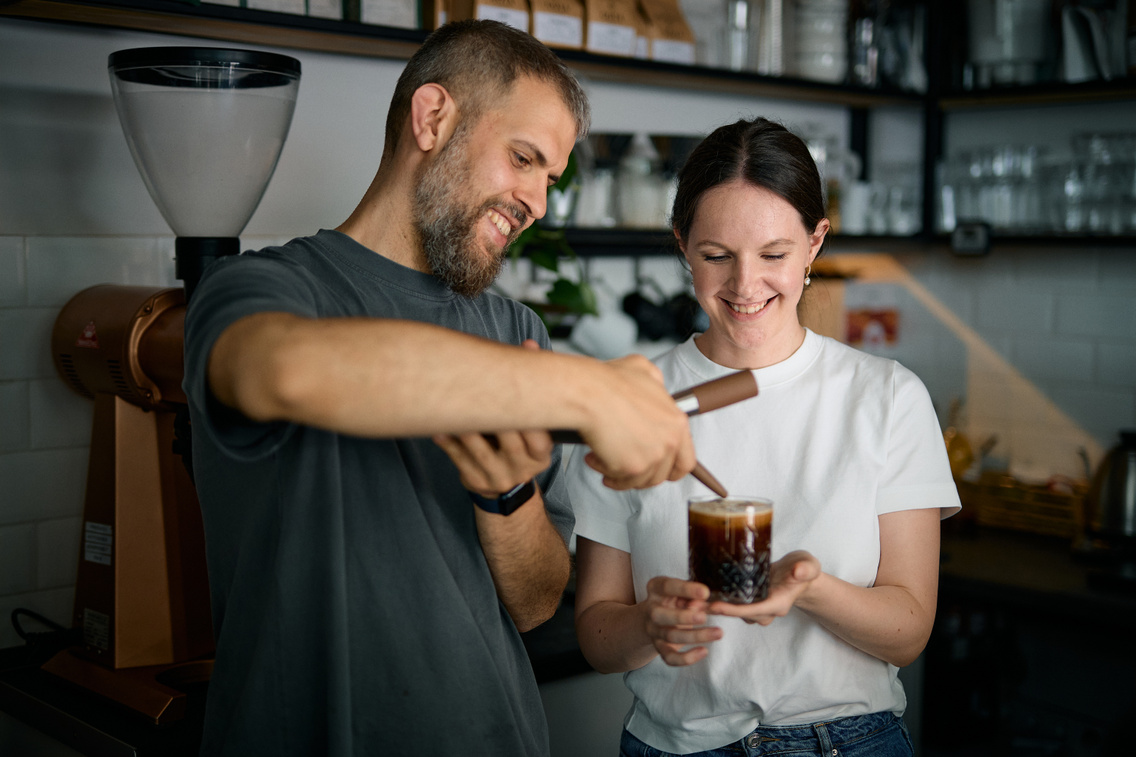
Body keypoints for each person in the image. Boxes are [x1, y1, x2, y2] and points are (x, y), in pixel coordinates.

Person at [181, 20, 696, 757]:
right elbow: (286, 370)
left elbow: (535, 602)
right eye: (523, 159)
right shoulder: (264, 288)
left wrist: (508, 495)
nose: (538, 204)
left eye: (549, 180)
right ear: (432, 118)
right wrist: (582, 389)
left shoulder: (513, 325)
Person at [566, 117, 962, 757]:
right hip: (675, 746)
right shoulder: (628, 400)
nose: (745, 286)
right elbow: (598, 635)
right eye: (717, 256)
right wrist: (649, 623)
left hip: (848, 742)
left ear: (815, 244)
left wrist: (810, 588)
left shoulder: (887, 396)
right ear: (682, 247)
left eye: (774, 255)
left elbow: (908, 631)